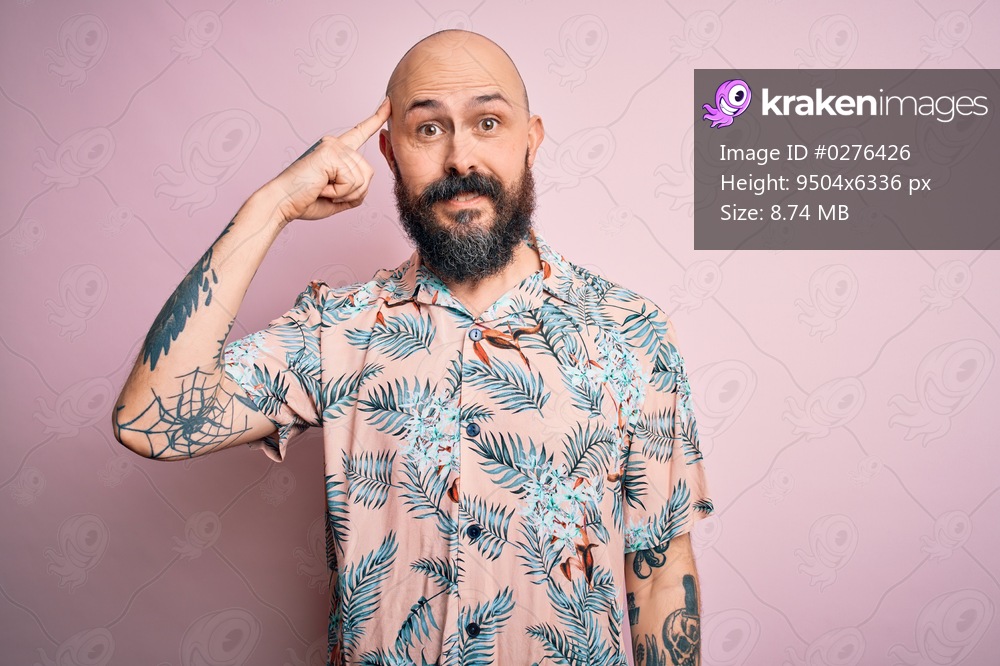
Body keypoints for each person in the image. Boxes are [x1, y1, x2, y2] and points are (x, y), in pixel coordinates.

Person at [113, 29, 714, 666]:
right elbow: (151, 420)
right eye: (428, 129)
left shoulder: (630, 331)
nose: (460, 158)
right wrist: (272, 206)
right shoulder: (335, 329)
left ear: (531, 140)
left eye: (488, 123)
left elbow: (659, 575)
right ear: (390, 152)